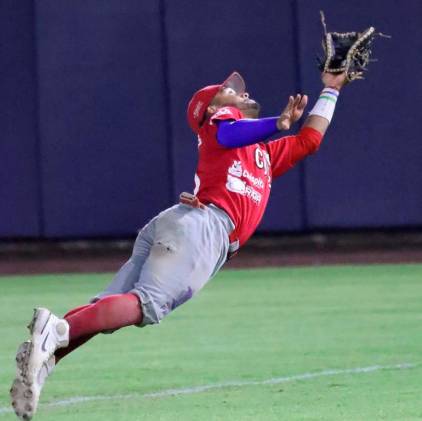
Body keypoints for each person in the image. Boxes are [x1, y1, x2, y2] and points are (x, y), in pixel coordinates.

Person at [10, 70, 347, 420]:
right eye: (228, 93)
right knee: (146, 306)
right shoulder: (219, 126)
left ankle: (43, 361)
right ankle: (56, 331)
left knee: (110, 310)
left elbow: (309, 141)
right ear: (211, 109)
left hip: (183, 223)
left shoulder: (260, 153)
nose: (240, 94)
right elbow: (231, 131)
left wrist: (331, 89)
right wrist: (277, 122)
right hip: (204, 227)